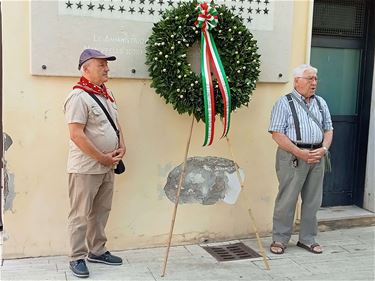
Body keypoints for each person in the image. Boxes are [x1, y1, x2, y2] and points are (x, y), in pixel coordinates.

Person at [63, 49, 126, 278]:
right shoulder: (78, 97)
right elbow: (76, 134)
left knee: (101, 211)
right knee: (80, 214)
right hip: (86, 168)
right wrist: (102, 157)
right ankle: (76, 257)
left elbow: (115, 123)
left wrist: (122, 145)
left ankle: (97, 251)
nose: (107, 68)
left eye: (106, 65)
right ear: (86, 69)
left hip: (108, 164)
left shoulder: (106, 94)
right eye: (101, 65)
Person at [268, 64, 333, 255]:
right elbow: (277, 134)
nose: (314, 83)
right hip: (292, 157)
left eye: (315, 79)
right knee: (287, 199)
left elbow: (329, 129)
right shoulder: (283, 103)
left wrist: (323, 149)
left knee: (313, 200)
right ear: (297, 81)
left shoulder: (321, 102)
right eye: (309, 79)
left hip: (317, 156)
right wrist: (299, 152)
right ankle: (279, 239)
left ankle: (308, 239)